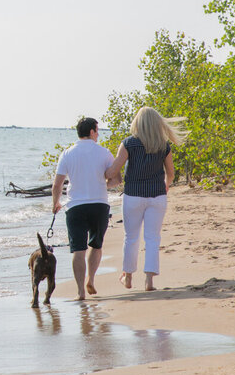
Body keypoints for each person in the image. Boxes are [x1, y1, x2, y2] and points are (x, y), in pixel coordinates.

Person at [106, 106, 184, 291]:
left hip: (133, 196)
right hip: (157, 196)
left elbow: (113, 170)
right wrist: (165, 186)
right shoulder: (163, 145)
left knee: (131, 237)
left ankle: (128, 277)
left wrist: (100, 174)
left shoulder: (129, 143)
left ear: (137, 122)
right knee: (152, 238)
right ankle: (149, 281)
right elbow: (171, 173)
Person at [51, 117, 115, 300]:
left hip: (75, 206)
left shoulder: (67, 153)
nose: (98, 134)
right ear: (92, 132)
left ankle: (80, 291)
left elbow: (57, 185)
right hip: (99, 204)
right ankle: (91, 279)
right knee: (96, 245)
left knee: (78, 250)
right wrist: (102, 184)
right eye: (98, 131)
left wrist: (55, 203)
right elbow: (116, 179)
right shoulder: (104, 153)